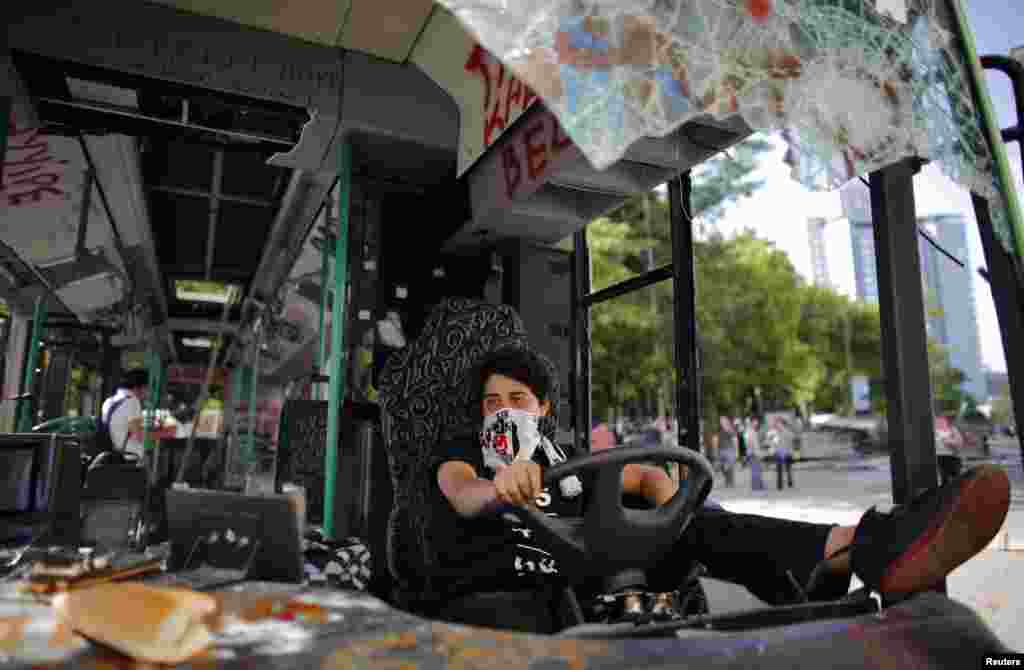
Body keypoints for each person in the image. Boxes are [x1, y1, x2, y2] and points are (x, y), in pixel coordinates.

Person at [432, 347, 1010, 623]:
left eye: (517, 401)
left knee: (702, 527)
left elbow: (646, 474)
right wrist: (501, 485)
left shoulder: (568, 457)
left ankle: (858, 548)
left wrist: (670, 512)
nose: (504, 412)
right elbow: (461, 493)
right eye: (492, 403)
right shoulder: (460, 455)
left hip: (599, 570)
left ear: (543, 408)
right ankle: (833, 569)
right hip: (525, 589)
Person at [100, 368, 149, 459]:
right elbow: (138, 434)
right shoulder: (132, 401)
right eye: (148, 388)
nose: (148, 392)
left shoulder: (108, 401)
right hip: (129, 456)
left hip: (109, 453)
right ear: (139, 387)